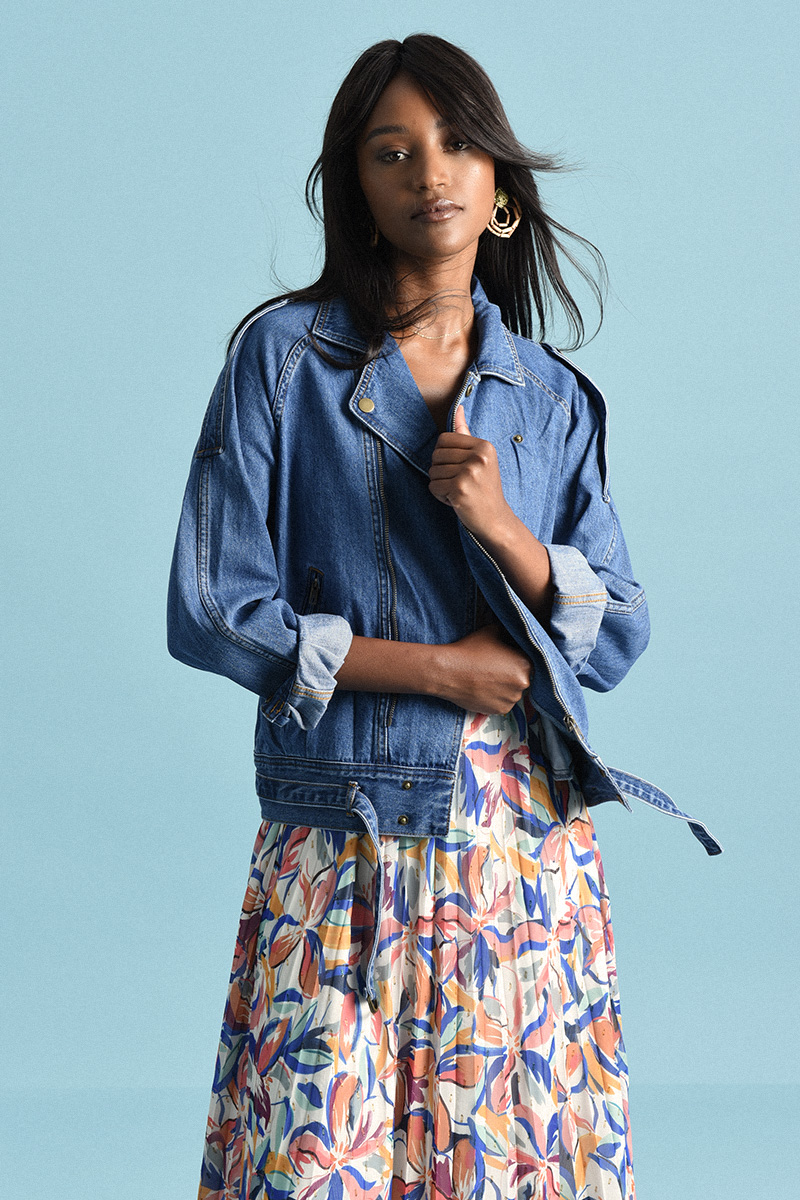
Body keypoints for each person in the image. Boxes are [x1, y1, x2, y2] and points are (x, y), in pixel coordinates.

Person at [168, 33, 721, 1200]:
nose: (430, 171)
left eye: (457, 143)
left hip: (521, 849)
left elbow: (616, 634)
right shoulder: (283, 363)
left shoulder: (550, 398)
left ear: (499, 186)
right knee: (314, 1155)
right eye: (392, 151)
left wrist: (506, 530)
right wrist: (434, 672)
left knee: (503, 1165)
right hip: (348, 833)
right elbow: (214, 608)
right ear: (356, 191)